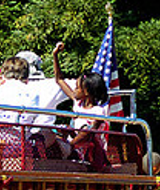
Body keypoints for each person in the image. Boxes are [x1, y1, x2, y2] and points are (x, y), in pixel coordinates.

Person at [44, 41, 110, 169]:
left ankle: (67, 153)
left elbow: (88, 134)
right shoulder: (78, 103)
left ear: (87, 92)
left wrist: (70, 145)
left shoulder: (98, 111)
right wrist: (55, 55)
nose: (74, 90)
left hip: (89, 153)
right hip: (74, 147)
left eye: (77, 88)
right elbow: (59, 80)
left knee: (84, 128)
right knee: (47, 135)